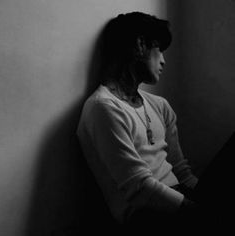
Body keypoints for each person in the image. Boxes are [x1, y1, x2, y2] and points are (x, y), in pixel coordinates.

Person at [77, 12, 234, 234]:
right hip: (145, 216)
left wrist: (210, 202)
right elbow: (140, 188)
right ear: (140, 45)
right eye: (159, 49)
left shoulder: (159, 105)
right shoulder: (103, 107)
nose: (163, 60)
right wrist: (202, 213)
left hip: (181, 199)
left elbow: (181, 171)